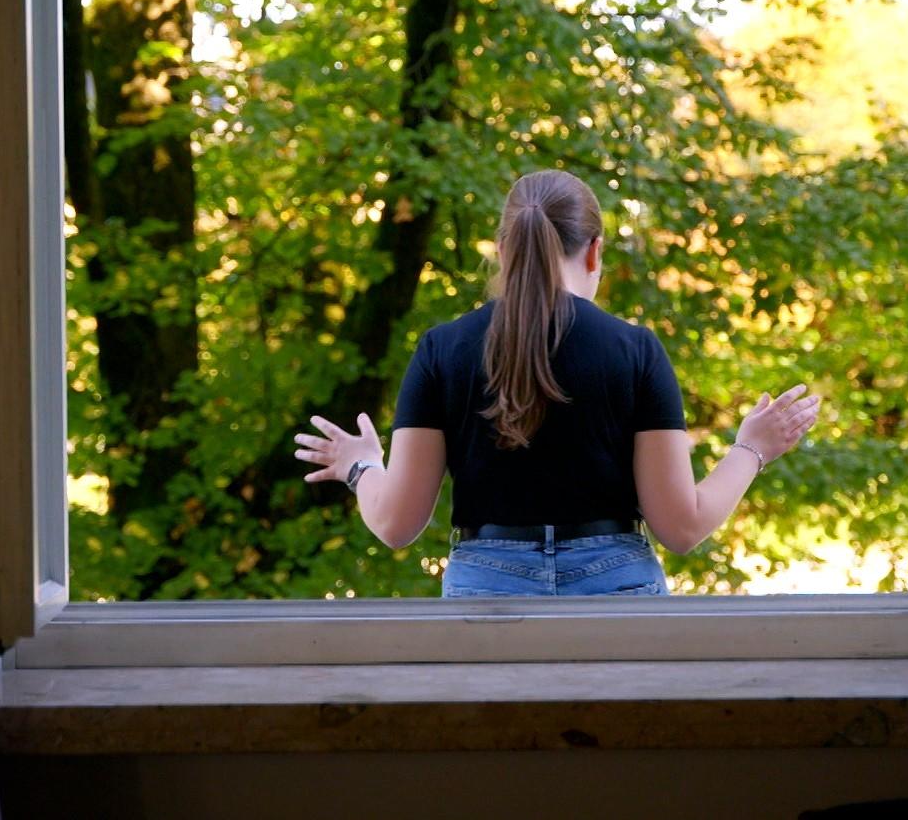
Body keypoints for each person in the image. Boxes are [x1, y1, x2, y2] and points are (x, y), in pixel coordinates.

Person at [293, 169, 822, 596]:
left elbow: (396, 523)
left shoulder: (441, 349)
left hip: (487, 595)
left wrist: (360, 465)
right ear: (595, 252)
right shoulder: (636, 351)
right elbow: (682, 528)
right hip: (616, 591)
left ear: (503, 251)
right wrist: (751, 449)